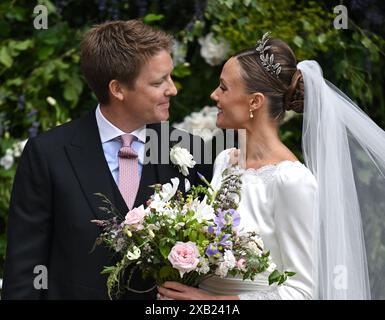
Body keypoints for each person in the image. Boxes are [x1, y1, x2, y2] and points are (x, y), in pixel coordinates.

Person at [158, 32, 385, 300]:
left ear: (255, 101)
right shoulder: (226, 161)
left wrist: (212, 303)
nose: (214, 95)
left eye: (224, 87)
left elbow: (303, 291)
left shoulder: (291, 180)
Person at [2, 20, 212, 300]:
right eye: (158, 81)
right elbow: (25, 270)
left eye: (170, 77)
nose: (172, 89)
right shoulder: (48, 154)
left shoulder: (191, 151)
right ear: (118, 89)